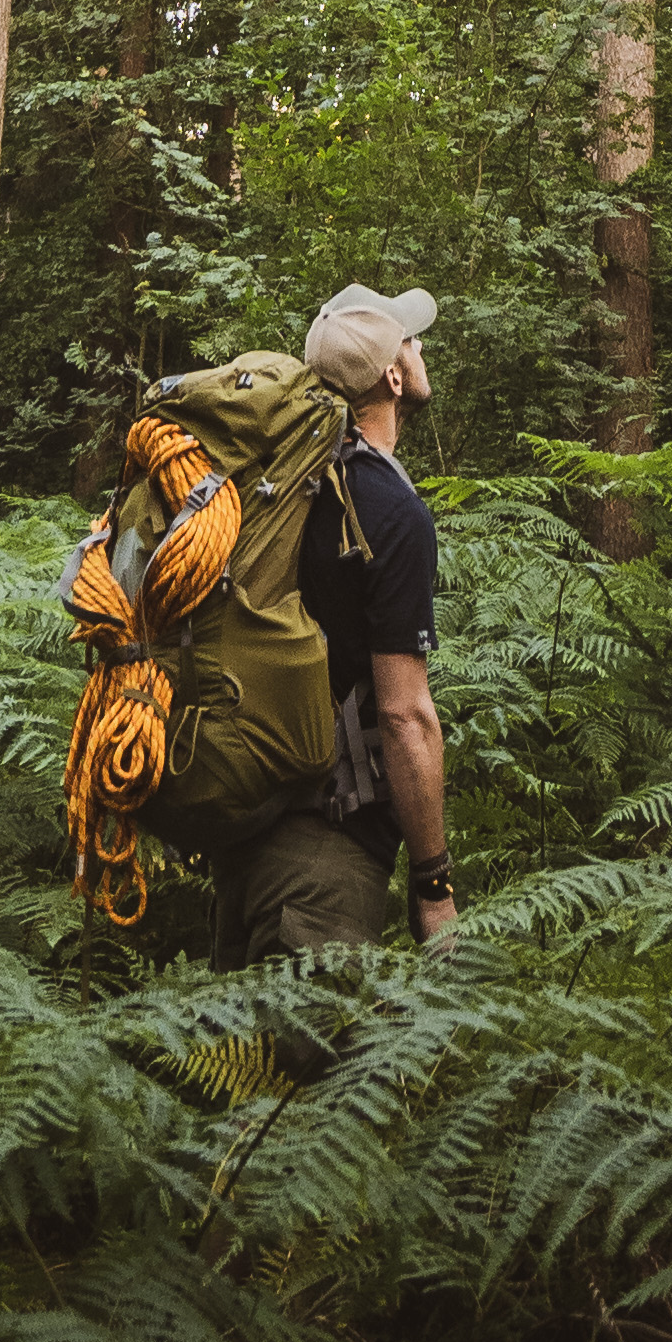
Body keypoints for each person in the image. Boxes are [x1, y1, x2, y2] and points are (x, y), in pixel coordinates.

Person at [212, 282, 460, 966]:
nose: (418, 348)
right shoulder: (389, 512)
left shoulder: (273, 488)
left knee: (236, 1069)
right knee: (312, 1069)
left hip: (245, 836)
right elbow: (406, 715)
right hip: (326, 859)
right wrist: (434, 885)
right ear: (393, 375)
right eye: (411, 340)